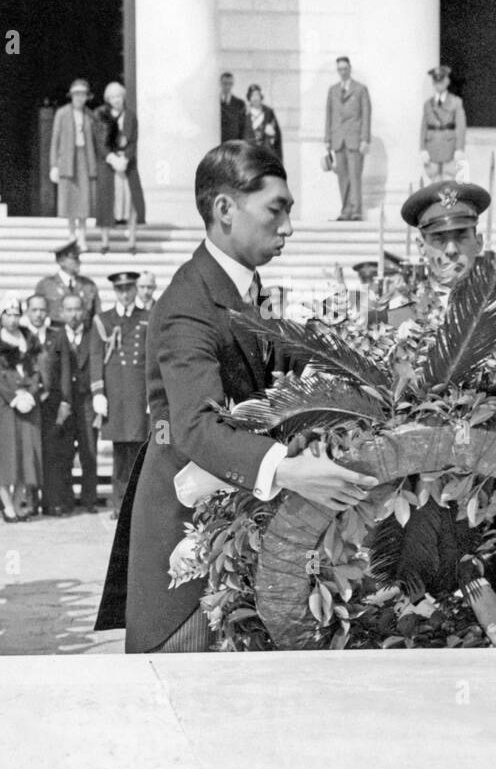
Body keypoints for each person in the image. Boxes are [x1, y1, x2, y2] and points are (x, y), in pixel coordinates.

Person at [94, 141, 378, 652]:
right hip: (188, 540)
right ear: (225, 209)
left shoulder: (244, 285)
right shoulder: (190, 303)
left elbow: (268, 371)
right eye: (277, 209)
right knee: (181, 691)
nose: (288, 227)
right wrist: (286, 468)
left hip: (237, 526)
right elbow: (197, 425)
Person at [93, 272, 150, 518]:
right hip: (116, 394)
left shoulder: (147, 318)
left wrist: (152, 394)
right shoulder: (103, 320)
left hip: (138, 394)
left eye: (129, 289)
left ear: (135, 290)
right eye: (120, 290)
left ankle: (136, 504)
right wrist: (98, 392)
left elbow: (152, 358)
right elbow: (96, 356)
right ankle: (119, 504)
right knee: (119, 452)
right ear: (114, 292)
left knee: (139, 449)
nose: (125, 294)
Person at [0, 294, 44, 521]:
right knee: (8, 453)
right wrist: (13, 397)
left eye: (17, 314)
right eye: (8, 314)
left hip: (28, 402)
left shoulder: (28, 339)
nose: (13, 319)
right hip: (7, 406)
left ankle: (21, 500)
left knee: (26, 452)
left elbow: (36, 369)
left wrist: (30, 392)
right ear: (0, 317)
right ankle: (6, 503)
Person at [57, 292, 100, 513]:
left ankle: (89, 500)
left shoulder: (93, 335)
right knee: (64, 453)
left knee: (89, 452)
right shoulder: (56, 337)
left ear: (83, 312)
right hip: (65, 403)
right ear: (61, 312)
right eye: (69, 310)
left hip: (87, 403)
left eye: (77, 309)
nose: (74, 315)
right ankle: (65, 500)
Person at [35, 294, 75, 516]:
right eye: (34, 310)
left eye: (42, 310)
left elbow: (66, 370)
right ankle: (30, 502)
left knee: (53, 454)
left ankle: (53, 502)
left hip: (52, 404)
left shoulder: (56, 336)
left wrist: (66, 401)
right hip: (29, 404)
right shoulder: (20, 336)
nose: (38, 314)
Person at [49, 79, 100, 248]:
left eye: (83, 95)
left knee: (84, 201)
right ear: (71, 96)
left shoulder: (90, 115)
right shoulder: (62, 113)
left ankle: (83, 236)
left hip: (84, 158)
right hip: (67, 161)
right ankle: (71, 235)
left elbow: (96, 140)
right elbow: (55, 140)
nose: (80, 98)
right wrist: (54, 165)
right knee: (69, 200)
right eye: (76, 94)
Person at [97, 81, 143, 254]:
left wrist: (126, 158)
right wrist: (111, 158)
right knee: (106, 203)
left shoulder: (131, 116)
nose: (116, 100)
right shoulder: (102, 116)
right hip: (109, 166)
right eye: (112, 97)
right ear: (108, 100)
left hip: (127, 165)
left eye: (118, 96)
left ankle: (131, 242)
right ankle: (105, 242)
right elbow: (100, 142)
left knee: (132, 202)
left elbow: (133, 141)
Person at [324, 56, 372, 221]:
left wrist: (365, 139)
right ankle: (345, 210)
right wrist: (327, 138)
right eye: (340, 69)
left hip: (355, 139)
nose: (342, 72)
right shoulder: (332, 90)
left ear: (350, 68)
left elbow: (366, 115)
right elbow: (329, 115)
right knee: (342, 176)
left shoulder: (360, 89)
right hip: (338, 139)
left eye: (345, 68)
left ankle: (356, 210)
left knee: (355, 175)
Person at [36, 240, 101, 329]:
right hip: (56, 336)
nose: (79, 262)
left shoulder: (88, 285)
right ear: (60, 261)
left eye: (78, 258)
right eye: (74, 258)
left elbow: (97, 316)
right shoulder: (45, 285)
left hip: (84, 336)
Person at [418, 65, 466, 182]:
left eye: (442, 80)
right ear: (433, 83)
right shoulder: (428, 104)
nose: (439, 84)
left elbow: (460, 127)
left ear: (447, 81)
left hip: (449, 148)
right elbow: (424, 127)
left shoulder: (455, 102)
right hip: (432, 148)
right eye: (436, 81)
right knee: (433, 184)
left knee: (449, 184)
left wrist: (459, 149)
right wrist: (422, 149)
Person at [242, 84, 283, 160]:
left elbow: (277, 135)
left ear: (261, 96)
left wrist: (272, 134)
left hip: (265, 153)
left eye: (257, 95)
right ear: (249, 98)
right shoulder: (244, 113)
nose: (255, 98)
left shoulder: (269, 113)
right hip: (249, 154)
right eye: (252, 96)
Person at [220, 71, 247, 142]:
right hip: (218, 142)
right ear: (220, 84)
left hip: (233, 143)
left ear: (233, 84)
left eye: (230, 84)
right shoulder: (215, 102)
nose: (227, 87)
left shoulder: (240, 103)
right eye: (225, 83)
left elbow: (242, 127)